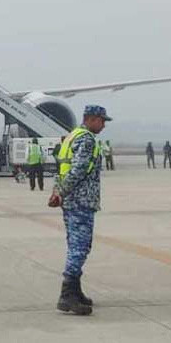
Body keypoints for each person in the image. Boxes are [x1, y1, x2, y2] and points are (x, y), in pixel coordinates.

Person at [52, 105, 109, 316]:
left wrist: (57, 192)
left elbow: (61, 167)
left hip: (70, 201)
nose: (103, 125)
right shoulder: (86, 139)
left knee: (75, 245)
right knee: (80, 247)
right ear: (91, 119)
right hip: (81, 201)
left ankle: (75, 291)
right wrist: (62, 192)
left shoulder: (71, 136)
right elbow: (77, 170)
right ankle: (67, 295)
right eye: (101, 121)